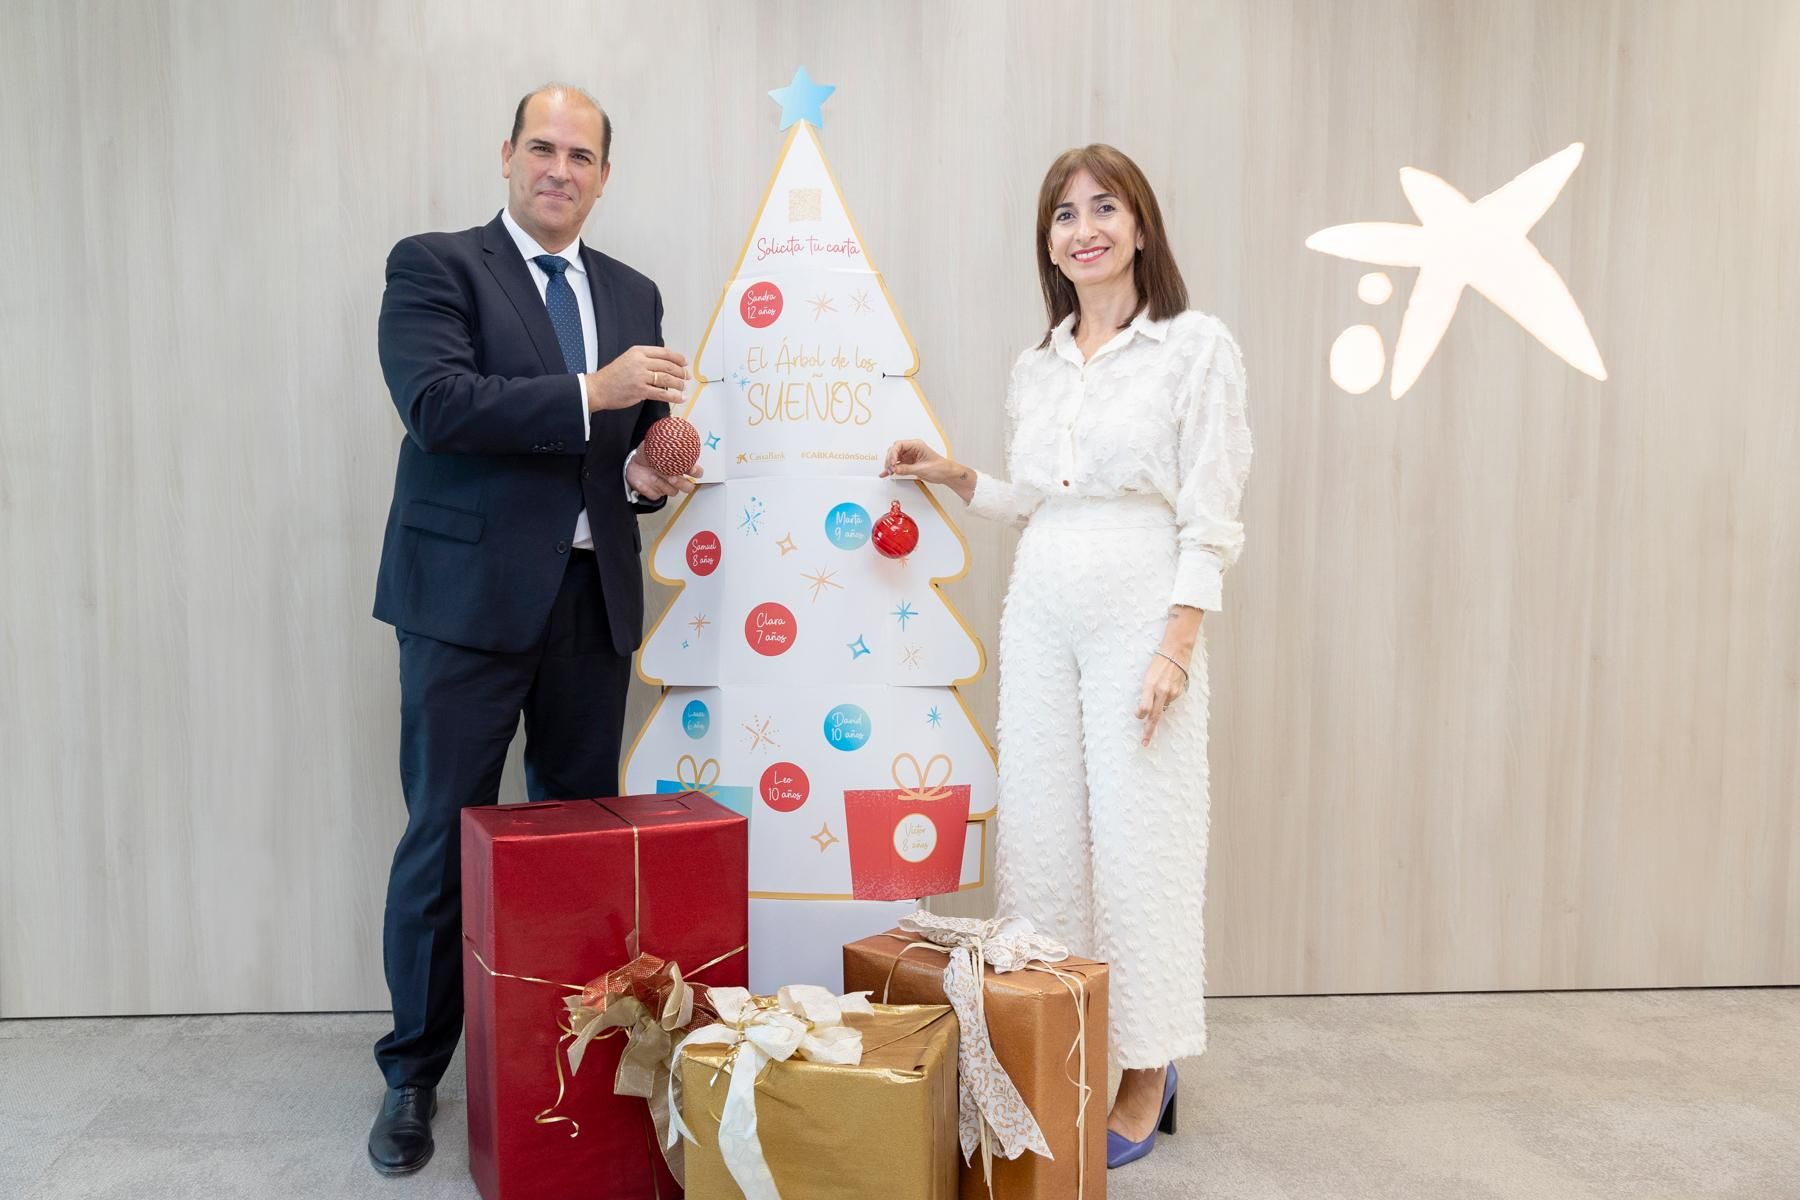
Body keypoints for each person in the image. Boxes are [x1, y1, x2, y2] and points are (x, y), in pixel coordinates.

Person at [882, 144, 1251, 1169]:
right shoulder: (1036, 363)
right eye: (1063, 215)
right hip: (1042, 600)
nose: (1083, 227)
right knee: (1043, 838)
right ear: (1048, 241)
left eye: (1104, 207)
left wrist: (1178, 641)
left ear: (1141, 224)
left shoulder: (1194, 346)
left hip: (1141, 599)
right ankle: (1066, 1035)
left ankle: (1146, 1061)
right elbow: (1040, 501)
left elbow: (1213, 514)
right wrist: (961, 476)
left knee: (1143, 838)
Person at [366, 83, 696, 1176]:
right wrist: (590, 390)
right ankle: (413, 1075)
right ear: (507, 155)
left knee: (574, 851)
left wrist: (652, 473)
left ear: (605, 175)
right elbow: (440, 406)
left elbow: (630, 451)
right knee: (441, 840)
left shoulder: (634, 289)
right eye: (542, 148)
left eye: (582, 155)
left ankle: (560, 1059)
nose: (560, 169)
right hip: (462, 607)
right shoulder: (435, 265)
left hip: (588, 606)